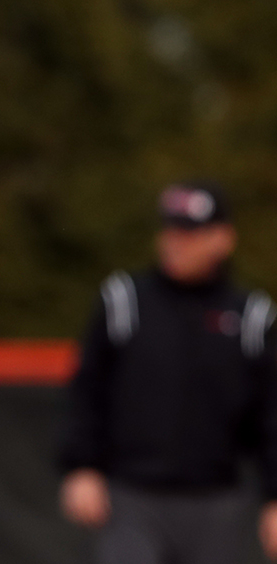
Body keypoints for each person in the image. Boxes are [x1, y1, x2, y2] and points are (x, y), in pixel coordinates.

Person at [58, 181, 277, 564]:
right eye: (171, 230)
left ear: (222, 238)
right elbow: (88, 389)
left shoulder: (250, 316)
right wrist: (82, 464)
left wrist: (275, 498)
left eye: (191, 233)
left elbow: (272, 415)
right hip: (132, 497)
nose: (176, 242)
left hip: (217, 500)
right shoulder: (125, 300)